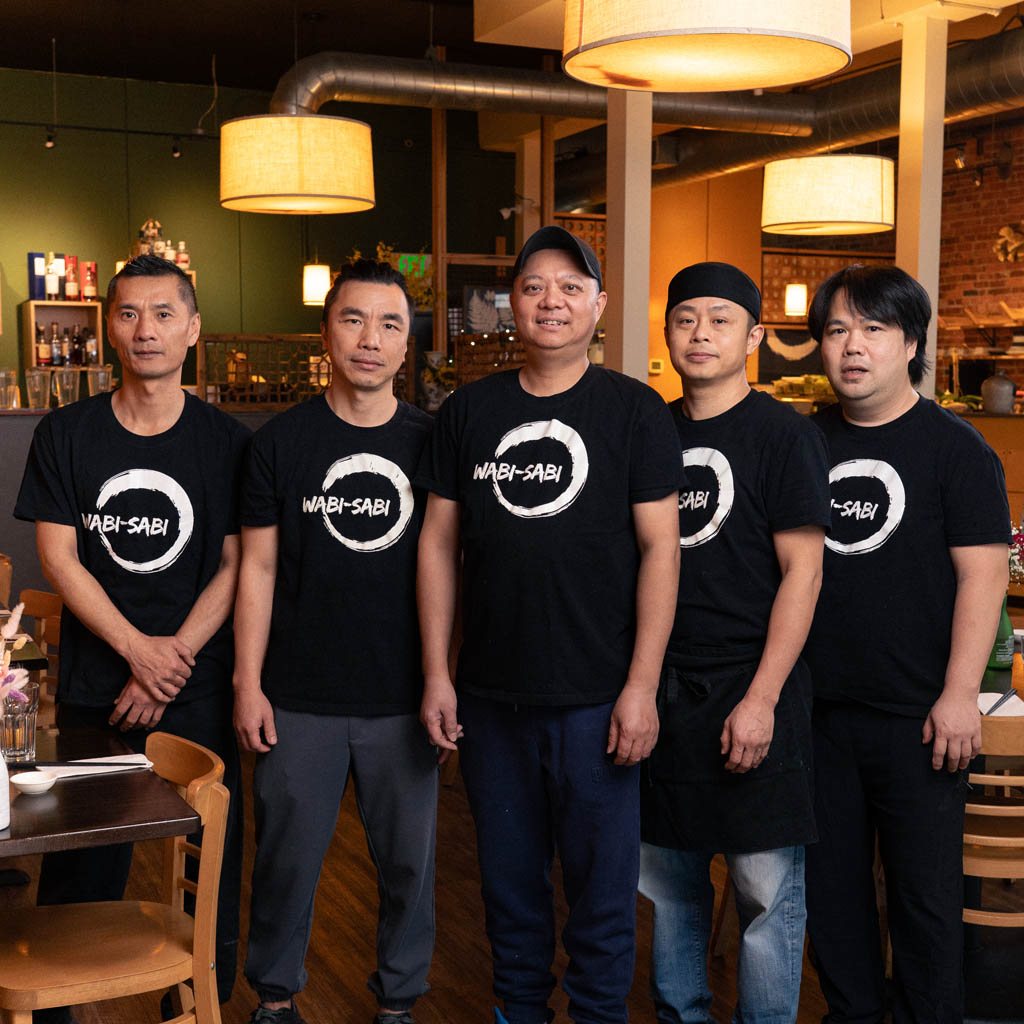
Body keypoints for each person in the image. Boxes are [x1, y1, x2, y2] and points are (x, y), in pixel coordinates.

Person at [416, 225, 682, 1024]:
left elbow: (661, 550)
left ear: (598, 306)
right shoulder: (469, 411)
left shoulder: (634, 411)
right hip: (491, 698)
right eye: (534, 287)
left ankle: (598, 1016)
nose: (551, 301)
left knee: (603, 891)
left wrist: (641, 687)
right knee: (508, 883)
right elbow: (437, 546)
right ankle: (519, 1010)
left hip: (600, 698)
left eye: (570, 288)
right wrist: (437, 673)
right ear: (513, 305)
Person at [13, 253, 248, 1022]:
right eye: (129, 313)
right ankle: (57, 1006)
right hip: (99, 685)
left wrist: (166, 663)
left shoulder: (227, 442)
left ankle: (199, 1001)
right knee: (82, 862)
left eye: (164, 313)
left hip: (195, 685)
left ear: (193, 329)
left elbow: (236, 565)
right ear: (110, 327)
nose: (146, 329)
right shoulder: (67, 432)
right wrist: (137, 652)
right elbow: (59, 557)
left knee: (211, 859)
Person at [803, 264, 1011, 1023]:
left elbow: (985, 576)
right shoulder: (803, 441)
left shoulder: (956, 448)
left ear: (912, 342)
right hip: (816, 714)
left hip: (920, 718)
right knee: (832, 900)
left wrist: (959, 695)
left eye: (873, 329)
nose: (852, 346)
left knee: (924, 904)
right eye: (836, 330)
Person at [234, 259, 437, 1024]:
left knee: (410, 868)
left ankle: (399, 1003)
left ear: (408, 342)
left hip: (404, 697)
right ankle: (275, 997)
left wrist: (445, 677)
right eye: (353, 320)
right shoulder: (279, 443)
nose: (370, 339)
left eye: (389, 324)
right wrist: (247, 682)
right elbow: (256, 568)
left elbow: (454, 566)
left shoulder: (433, 443)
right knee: (285, 862)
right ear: (326, 333)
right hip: (296, 696)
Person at [638, 262, 830, 1024]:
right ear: (668, 333)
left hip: (756, 685)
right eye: (686, 319)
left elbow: (804, 575)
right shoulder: (649, 430)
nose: (701, 334)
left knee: (765, 893)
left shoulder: (786, 436)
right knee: (669, 886)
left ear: (753, 337)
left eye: (721, 320)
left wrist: (762, 699)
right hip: (665, 691)